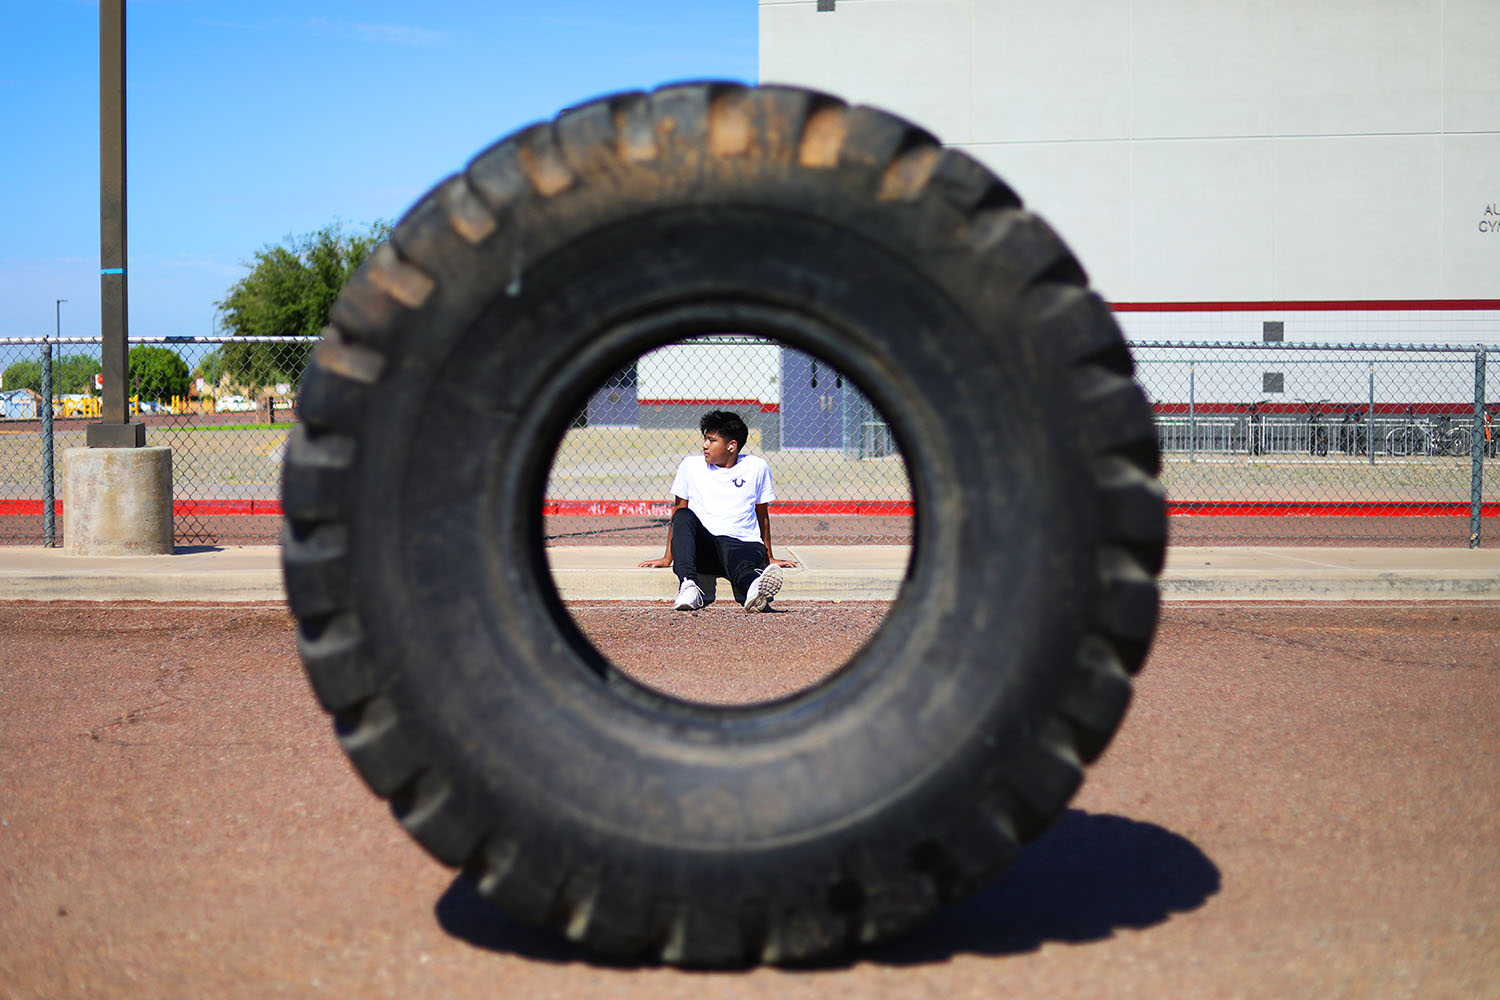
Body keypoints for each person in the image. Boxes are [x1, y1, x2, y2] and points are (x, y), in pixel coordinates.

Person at [637, 410, 798, 612]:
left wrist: (769, 557)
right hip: (707, 550)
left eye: (712, 440)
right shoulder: (690, 466)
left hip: (742, 544)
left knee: (743, 568)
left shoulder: (757, 467)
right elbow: (678, 512)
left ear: (731, 446)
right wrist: (667, 558)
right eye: (705, 439)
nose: (705, 445)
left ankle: (755, 590)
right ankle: (688, 587)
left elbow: (761, 514)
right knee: (683, 515)